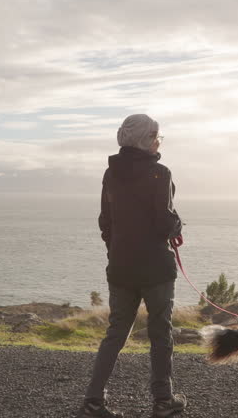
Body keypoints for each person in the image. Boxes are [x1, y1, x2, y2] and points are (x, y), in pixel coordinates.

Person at [77, 114, 186, 418]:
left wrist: (116, 250)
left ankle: (93, 401)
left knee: (115, 334)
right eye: (156, 137)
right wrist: (178, 226)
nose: (158, 142)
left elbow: (105, 222)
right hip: (156, 269)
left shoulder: (110, 174)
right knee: (161, 333)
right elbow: (165, 222)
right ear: (144, 139)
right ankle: (163, 401)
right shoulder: (159, 173)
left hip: (121, 268)